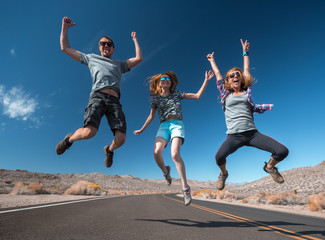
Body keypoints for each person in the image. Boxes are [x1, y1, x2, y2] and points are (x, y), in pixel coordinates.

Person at [55, 16, 143, 168]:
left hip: (115, 101)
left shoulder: (119, 64)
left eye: (109, 44)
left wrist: (135, 40)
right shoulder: (91, 58)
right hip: (98, 97)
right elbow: (65, 48)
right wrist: (64, 28)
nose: (106, 45)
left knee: (121, 139)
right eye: (102, 43)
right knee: (89, 133)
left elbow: (139, 58)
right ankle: (68, 140)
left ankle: (109, 150)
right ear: (99, 47)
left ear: (113, 48)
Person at [207, 39, 289, 190]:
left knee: (282, 151)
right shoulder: (225, 95)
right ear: (228, 81)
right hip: (234, 136)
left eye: (236, 74)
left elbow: (246, 69)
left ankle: (270, 167)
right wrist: (212, 60)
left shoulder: (247, 92)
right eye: (231, 76)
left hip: (252, 134)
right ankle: (224, 174)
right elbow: (218, 74)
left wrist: (245, 52)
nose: (234, 76)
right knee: (219, 157)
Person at [133, 70, 214, 205]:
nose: (165, 80)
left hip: (177, 125)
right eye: (162, 79)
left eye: (168, 79)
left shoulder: (177, 94)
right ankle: (166, 172)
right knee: (156, 152)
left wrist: (206, 80)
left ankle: (185, 189)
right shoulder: (155, 99)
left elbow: (197, 96)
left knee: (175, 155)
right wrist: (142, 129)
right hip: (163, 126)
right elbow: (151, 116)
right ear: (159, 83)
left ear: (171, 83)